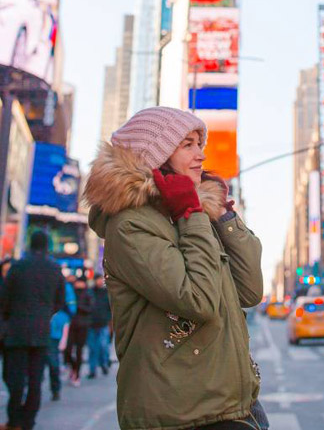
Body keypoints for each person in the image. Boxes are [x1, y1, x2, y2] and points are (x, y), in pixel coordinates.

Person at [85, 105, 268, 430]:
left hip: (236, 407)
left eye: (201, 145)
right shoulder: (131, 225)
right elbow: (199, 301)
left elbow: (250, 290)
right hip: (182, 415)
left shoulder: (192, 212)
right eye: (188, 145)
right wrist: (192, 213)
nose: (200, 155)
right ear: (155, 155)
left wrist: (222, 213)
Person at [0, 229, 65, 430]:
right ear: (47, 245)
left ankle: (14, 420)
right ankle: (29, 421)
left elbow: (4, 300)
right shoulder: (55, 269)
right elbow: (60, 301)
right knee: (36, 380)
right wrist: (45, 314)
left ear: (30, 244)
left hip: (16, 330)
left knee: (16, 379)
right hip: (41, 330)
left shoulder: (17, 266)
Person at [64, 277, 92, 386]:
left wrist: (78, 307)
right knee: (67, 350)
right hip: (71, 325)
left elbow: (90, 308)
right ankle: (73, 367)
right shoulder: (71, 292)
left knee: (79, 350)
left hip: (83, 325)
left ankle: (77, 374)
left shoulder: (88, 294)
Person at [86, 274, 112, 379]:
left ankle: (104, 364)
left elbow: (111, 308)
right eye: (98, 280)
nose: (100, 282)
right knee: (92, 348)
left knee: (103, 347)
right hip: (91, 324)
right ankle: (92, 370)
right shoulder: (90, 292)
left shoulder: (107, 293)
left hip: (103, 324)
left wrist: (110, 321)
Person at [46, 307, 70, 401]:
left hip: (53, 338)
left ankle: (55, 389)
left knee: (53, 363)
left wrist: (63, 340)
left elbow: (65, 326)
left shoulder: (61, 315)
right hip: (41, 333)